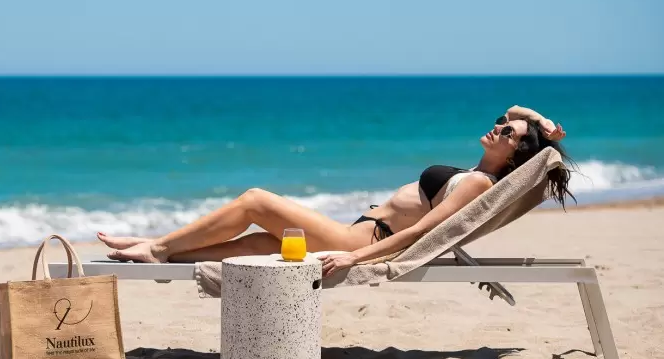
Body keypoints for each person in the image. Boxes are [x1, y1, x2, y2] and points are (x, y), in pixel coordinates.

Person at [97, 105, 573, 278]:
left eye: (508, 132)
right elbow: (517, 109)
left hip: (358, 241)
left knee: (255, 201)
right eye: (499, 123)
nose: (499, 126)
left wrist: (354, 258)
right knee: (259, 243)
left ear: (514, 155)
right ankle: (160, 253)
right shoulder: (477, 171)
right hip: (357, 231)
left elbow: (422, 232)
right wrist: (541, 124)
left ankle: (156, 247)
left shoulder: (477, 183)